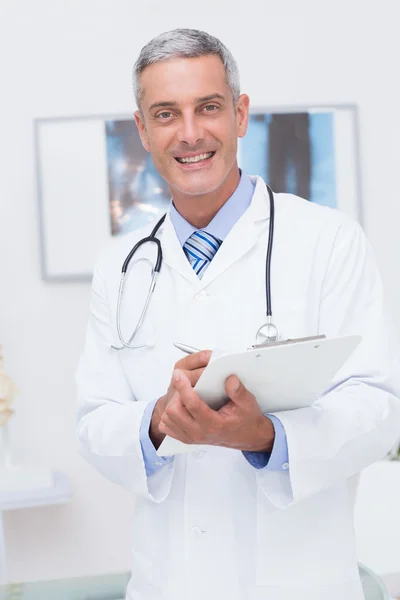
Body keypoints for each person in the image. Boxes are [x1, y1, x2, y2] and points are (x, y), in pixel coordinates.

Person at [76, 28, 400, 600]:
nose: (191, 133)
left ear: (241, 114)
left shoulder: (329, 241)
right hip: (168, 585)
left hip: (299, 584)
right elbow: (95, 421)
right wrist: (157, 421)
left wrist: (267, 437)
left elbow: (378, 407)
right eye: (166, 113)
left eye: (208, 107)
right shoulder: (119, 268)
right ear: (144, 132)